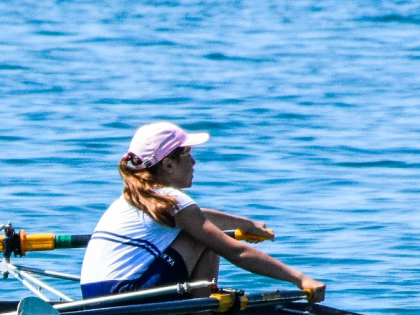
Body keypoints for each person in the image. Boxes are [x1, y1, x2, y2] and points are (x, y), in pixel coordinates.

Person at [80, 122, 325, 302]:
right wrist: (300, 279)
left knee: (200, 231)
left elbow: (197, 214)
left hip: (94, 297)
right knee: (207, 240)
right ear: (168, 164)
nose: (194, 162)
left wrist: (247, 224)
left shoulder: (133, 198)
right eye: (188, 154)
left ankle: (193, 304)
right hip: (124, 298)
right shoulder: (173, 199)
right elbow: (236, 252)